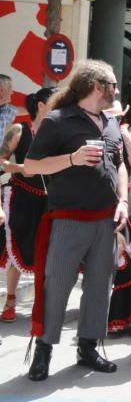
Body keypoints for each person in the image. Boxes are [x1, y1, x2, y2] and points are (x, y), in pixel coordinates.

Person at [23, 59, 129, 381]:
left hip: (105, 219)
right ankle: (44, 351)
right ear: (98, 87)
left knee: (100, 285)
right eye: (113, 84)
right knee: (56, 284)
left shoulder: (110, 123)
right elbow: (30, 166)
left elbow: (121, 165)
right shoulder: (57, 121)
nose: (116, 90)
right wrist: (72, 158)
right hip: (68, 218)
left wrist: (124, 201)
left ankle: (88, 348)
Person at [1, 87, 56, 323]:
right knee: (17, 247)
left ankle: (41, 303)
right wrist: (22, 168)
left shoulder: (57, 134)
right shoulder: (19, 129)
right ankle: (10, 300)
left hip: (49, 199)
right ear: (41, 105)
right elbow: (1, 160)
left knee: (47, 250)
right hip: (21, 195)